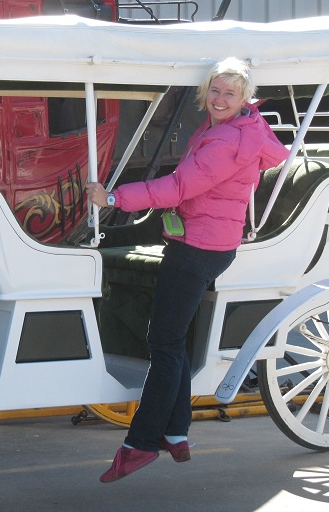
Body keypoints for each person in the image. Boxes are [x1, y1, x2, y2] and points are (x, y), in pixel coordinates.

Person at [86, 57, 290, 483]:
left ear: (244, 98)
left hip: (198, 245)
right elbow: (273, 153)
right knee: (171, 341)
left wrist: (113, 198)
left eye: (229, 93)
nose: (219, 99)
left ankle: (141, 444)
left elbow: (180, 186)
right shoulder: (243, 128)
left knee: (163, 343)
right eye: (215, 91)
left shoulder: (227, 140)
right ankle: (176, 433)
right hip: (206, 241)